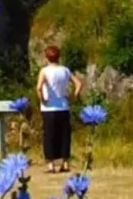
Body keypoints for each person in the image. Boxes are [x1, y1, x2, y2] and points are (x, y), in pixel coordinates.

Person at [37, 45, 82, 174]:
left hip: (49, 108)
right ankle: (65, 163)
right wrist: (74, 96)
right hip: (63, 106)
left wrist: (43, 99)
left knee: (49, 136)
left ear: (47, 57)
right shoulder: (65, 70)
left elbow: (39, 87)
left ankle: (51, 164)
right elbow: (78, 83)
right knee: (64, 135)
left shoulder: (44, 71)